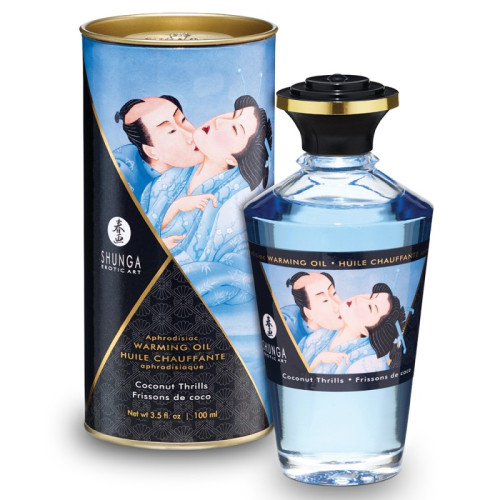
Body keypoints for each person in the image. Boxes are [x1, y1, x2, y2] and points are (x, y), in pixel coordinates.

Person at [160, 95, 273, 308]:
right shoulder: (173, 175)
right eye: (232, 114)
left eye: (234, 129)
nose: (219, 121)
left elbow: (216, 267)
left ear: (233, 159)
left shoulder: (231, 205)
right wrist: (175, 208)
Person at [113, 96, 209, 230]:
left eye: (183, 120)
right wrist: (176, 207)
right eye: (171, 131)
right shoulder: (130, 180)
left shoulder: (208, 162)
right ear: (151, 151)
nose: (190, 135)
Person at [307, 283, 406, 374]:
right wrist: (319, 359)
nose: (359, 299)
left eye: (370, 307)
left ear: (368, 330)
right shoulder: (322, 333)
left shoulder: (369, 363)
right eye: (371, 296)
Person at [281, 272, 343, 347]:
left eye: (334, 293)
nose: (337, 306)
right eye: (325, 300)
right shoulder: (287, 324)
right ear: (308, 313)